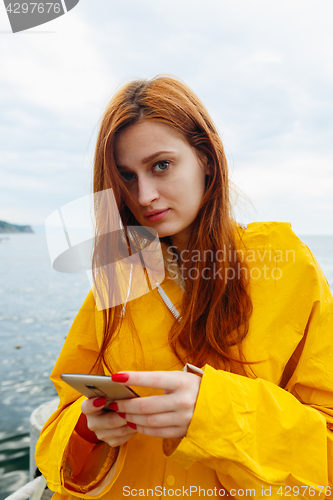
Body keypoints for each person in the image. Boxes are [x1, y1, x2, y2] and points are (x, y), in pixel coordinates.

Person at [35, 76, 333, 499]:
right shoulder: (119, 277)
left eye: (161, 165)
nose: (145, 195)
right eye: (126, 175)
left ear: (206, 158)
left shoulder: (285, 265)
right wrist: (89, 428)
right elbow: (63, 418)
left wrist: (213, 412)